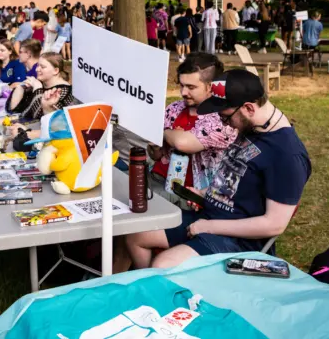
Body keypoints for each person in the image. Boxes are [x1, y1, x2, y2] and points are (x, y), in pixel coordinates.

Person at [126, 69, 311, 270]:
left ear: (248, 108)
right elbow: (238, 181)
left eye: (225, 117)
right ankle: (147, 289)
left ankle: (161, 292)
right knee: (135, 234)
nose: (225, 123)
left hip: (239, 240)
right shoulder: (253, 127)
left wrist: (209, 227)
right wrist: (206, 194)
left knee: (164, 264)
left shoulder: (286, 155)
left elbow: (274, 224)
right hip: (209, 217)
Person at [146, 53, 237, 206]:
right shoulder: (174, 108)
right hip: (157, 177)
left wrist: (161, 132)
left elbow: (182, 143)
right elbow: (156, 155)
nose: (183, 92)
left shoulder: (222, 118)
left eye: (191, 87)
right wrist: (155, 145)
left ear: (210, 87)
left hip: (189, 194)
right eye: (182, 85)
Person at [7, 52, 75, 122]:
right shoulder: (40, 84)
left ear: (55, 71)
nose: (37, 69)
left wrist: (37, 89)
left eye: (42, 67)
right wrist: (21, 87)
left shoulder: (64, 91)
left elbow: (39, 117)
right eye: (37, 66)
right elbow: (13, 109)